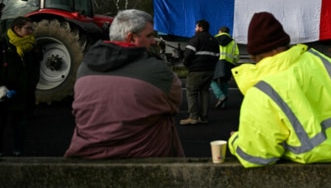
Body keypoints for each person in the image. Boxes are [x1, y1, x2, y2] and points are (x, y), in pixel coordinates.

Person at [229, 12, 331, 167]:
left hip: (314, 174)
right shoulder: (320, 61)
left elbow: (257, 155)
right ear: (283, 45)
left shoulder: (262, 92)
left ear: (254, 56)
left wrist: (235, 140)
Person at [64, 9, 184, 158]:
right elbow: (174, 104)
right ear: (131, 38)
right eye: (149, 36)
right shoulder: (157, 71)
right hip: (147, 162)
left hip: (85, 155)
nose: (153, 41)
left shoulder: (84, 67)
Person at [0, 17, 41, 156]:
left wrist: (32, 83)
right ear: (17, 29)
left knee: (21, 125)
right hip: (4, 93)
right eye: (28, 28)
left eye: (32, 28)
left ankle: (18, 152)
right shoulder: (4, 45)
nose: (31, 31)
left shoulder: (32, 46)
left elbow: (35, 67)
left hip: (23, 93)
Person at [180, 19, 220, 125]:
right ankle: (204, 117)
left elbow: (188, 54)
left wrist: (186, 64)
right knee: (204, 92)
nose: (195, 29)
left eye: (196, 27)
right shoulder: (214, 41)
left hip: (196, 70)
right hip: (210, 70)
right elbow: (217, 56)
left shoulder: (196, 39)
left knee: (191, 92)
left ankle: (193, 117)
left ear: (200, 27)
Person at [211, 26, 239, 109]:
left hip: (216, 62)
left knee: (212, 80)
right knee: (224, 82)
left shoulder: (214, 40)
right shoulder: (233, 42)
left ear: (220, 31)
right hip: (228, 63)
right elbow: (236, 55)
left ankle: (220, 96)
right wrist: (233, 63)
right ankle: (223, 104)